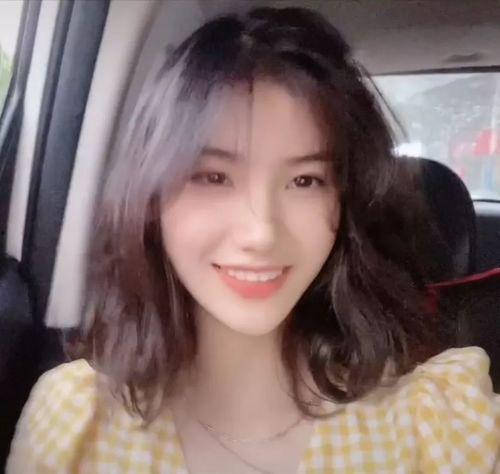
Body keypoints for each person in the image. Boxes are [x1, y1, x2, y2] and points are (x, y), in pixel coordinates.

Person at [7, 7, 500, 473]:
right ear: (150, 198)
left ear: (345, 202)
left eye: (305, 181)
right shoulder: (74, 421)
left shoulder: (441, 427)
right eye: (213, 177)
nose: (261, 232)